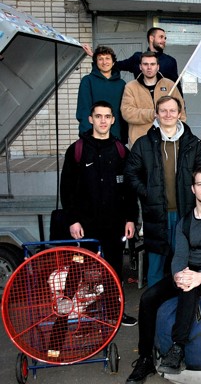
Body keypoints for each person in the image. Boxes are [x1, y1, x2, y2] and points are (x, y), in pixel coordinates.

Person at [125, 167, 201, 382]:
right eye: (200, 184)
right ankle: (145, 359)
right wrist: (178, 274)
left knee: (190, 288)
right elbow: (179, 256)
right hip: (191, 268)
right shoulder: (185, 222)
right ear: (193, 189)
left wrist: (200, 277)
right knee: (148, 298)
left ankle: (178, 348)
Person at [61, 100, 138, 326]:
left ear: (113, 120)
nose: (103, 121)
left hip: (114, 223)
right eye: (98, 116)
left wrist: (131, 219)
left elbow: (129, 189)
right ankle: (63, 311)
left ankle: (115, 312)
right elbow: (66, 188)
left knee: (114, 268)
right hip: (85, 223)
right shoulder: (77, 150)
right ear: (91, 119)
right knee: (78, 265)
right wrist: (73, 220)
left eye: (107, 116)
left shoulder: (121, 151)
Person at [124, 96, 201, 288]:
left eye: (172, 110)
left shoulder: (192, 143)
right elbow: (130, 174)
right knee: (156, 266)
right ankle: (156, 303)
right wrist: (147, 192)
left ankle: (182, 301)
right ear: (156, 114)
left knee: (184, 263)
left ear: (180, 114)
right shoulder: (143, 143)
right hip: (156, 213)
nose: (168, 114)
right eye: (163, 110)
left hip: (185, 212)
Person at [83, 27, 181, 94]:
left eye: (165, 38)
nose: (164, 40)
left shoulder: (170, 61)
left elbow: (177, 87)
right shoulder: (137, 57)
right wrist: (93, 55)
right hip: (141, 104)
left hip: (162, 107)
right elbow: (115, 65)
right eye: (161, 37)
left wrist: (181, 109)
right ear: (151, 38)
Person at [121, 51, 186, 146]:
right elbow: (127, 112)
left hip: (166, 142)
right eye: (145, 64)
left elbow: (181, 113)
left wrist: (178, 134)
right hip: (140, 142)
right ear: (140, 67)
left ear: (158, 66)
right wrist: (152, 114)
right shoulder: (131, 87)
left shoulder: (170, 85)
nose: (149, 67)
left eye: (152, 64)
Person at [76, 46, 127, 143]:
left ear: (113, 62)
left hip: (116, 137)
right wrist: (87, 135)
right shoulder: (87, 81)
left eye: (107, 58)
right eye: (100, 59)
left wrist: (123, 137)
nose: (104, 62)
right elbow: (83, 109)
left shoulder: (121, 84)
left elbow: (123, 112)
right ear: (96, 62)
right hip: (93, 136)